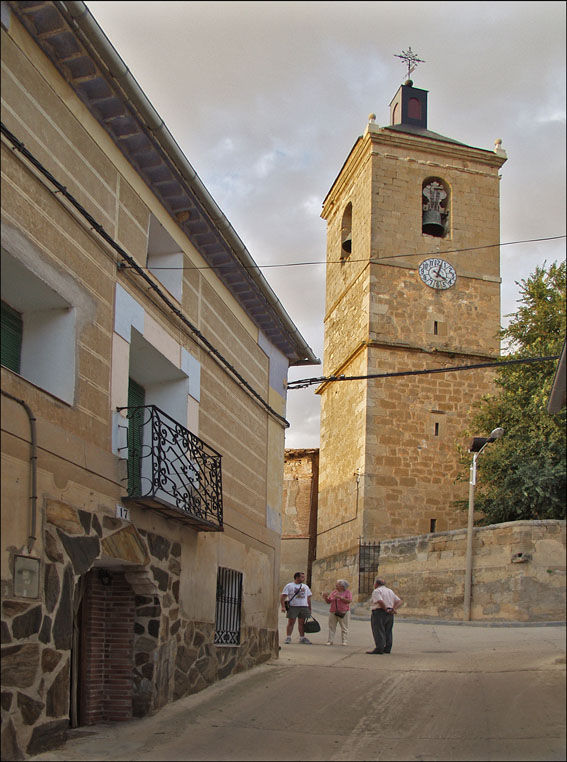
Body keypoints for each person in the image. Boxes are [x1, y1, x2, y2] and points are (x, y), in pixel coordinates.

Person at [367, 577, 402, 654]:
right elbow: (399, 601)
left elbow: (380, 601)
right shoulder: (390, 591)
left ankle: (379, 648)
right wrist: (393, 609)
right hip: (389, 612)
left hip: (379, 612)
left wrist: (385, 609)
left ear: (376, 584)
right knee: (388, 630)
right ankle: (387, 648)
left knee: (378, 630)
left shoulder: (377, 591)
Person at [280, 571, 313, 644]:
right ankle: (288, 637)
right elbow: (283, 596)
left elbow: (308, 598)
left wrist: (309, 608)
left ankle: (302, 637)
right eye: (302, 577)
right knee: (291, 622)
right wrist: (283, 607)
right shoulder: (289, 585)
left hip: (304, 606)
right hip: (293, 606)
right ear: (297, 577)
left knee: (302, 623)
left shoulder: (305, 586)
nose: (303, 578)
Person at [322, 579, 352, 646]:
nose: (336, 585)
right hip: (333, 611)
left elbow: (349, 601)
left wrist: (341, 597)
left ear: (342, 586)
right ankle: (330, 640)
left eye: (338, 584)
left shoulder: (347, 592)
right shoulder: (334, 592)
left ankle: (344, 641)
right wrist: (325, 597)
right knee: (331, 626)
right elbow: (329, 601)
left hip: (344, 611)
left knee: (344, 626)